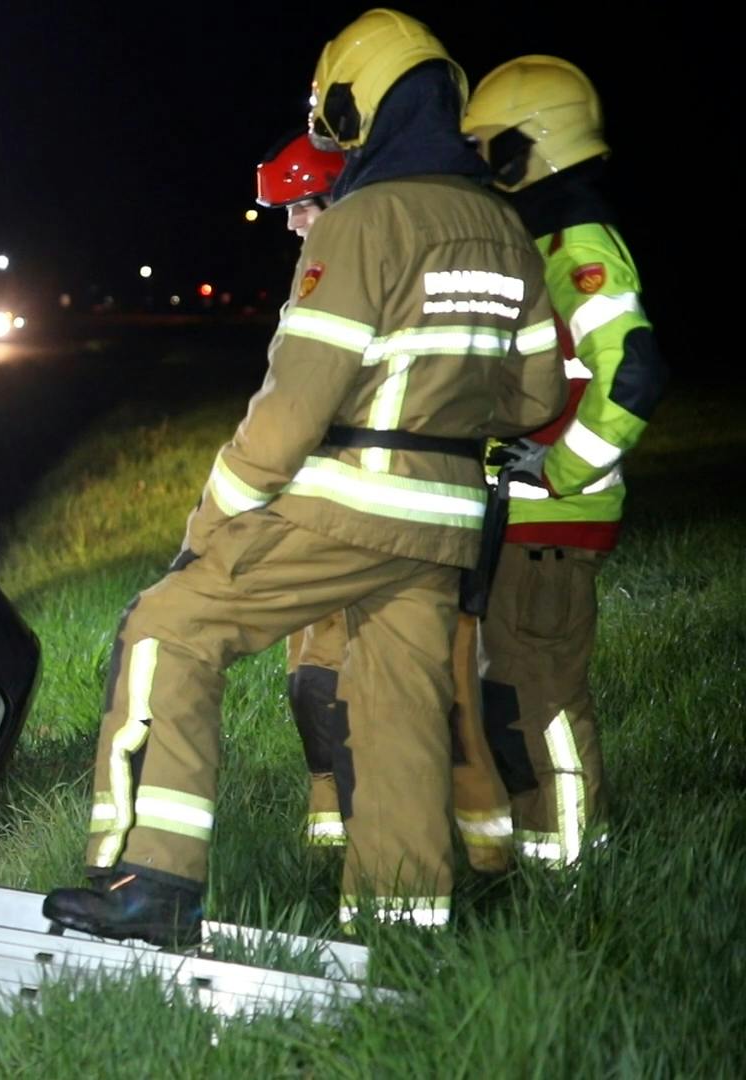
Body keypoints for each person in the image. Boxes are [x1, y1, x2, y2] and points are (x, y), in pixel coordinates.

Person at [42, 8, 567, 946]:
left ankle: (152, 881)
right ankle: (401, 926)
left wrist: (210, 523)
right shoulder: (503, 226)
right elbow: (532, 393)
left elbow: (291, 409)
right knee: (400, 706)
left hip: (352, 503)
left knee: (169, 627)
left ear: (360, 102)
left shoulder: (363, 220)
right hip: (447, 523)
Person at [257, 129, 516, 871]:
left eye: (301, 206)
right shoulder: (332, 277)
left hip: (406, 519)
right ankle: (345, 839)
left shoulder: (386, 274)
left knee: (443, 693)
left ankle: (482, 864)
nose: (293, 224)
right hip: (337, 513)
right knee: (315, 679)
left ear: (339, 198)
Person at [463, 56, 668, 868]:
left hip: (555, 517)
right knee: (512, 694)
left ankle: (578, 872)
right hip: (531, 516)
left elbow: (636, 368)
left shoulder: (578, 241)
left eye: (486, 148)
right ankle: (541, 856)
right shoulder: (547, 235)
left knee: (540, 694)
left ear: (525, 148)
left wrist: (559, 472)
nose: (478, 167)